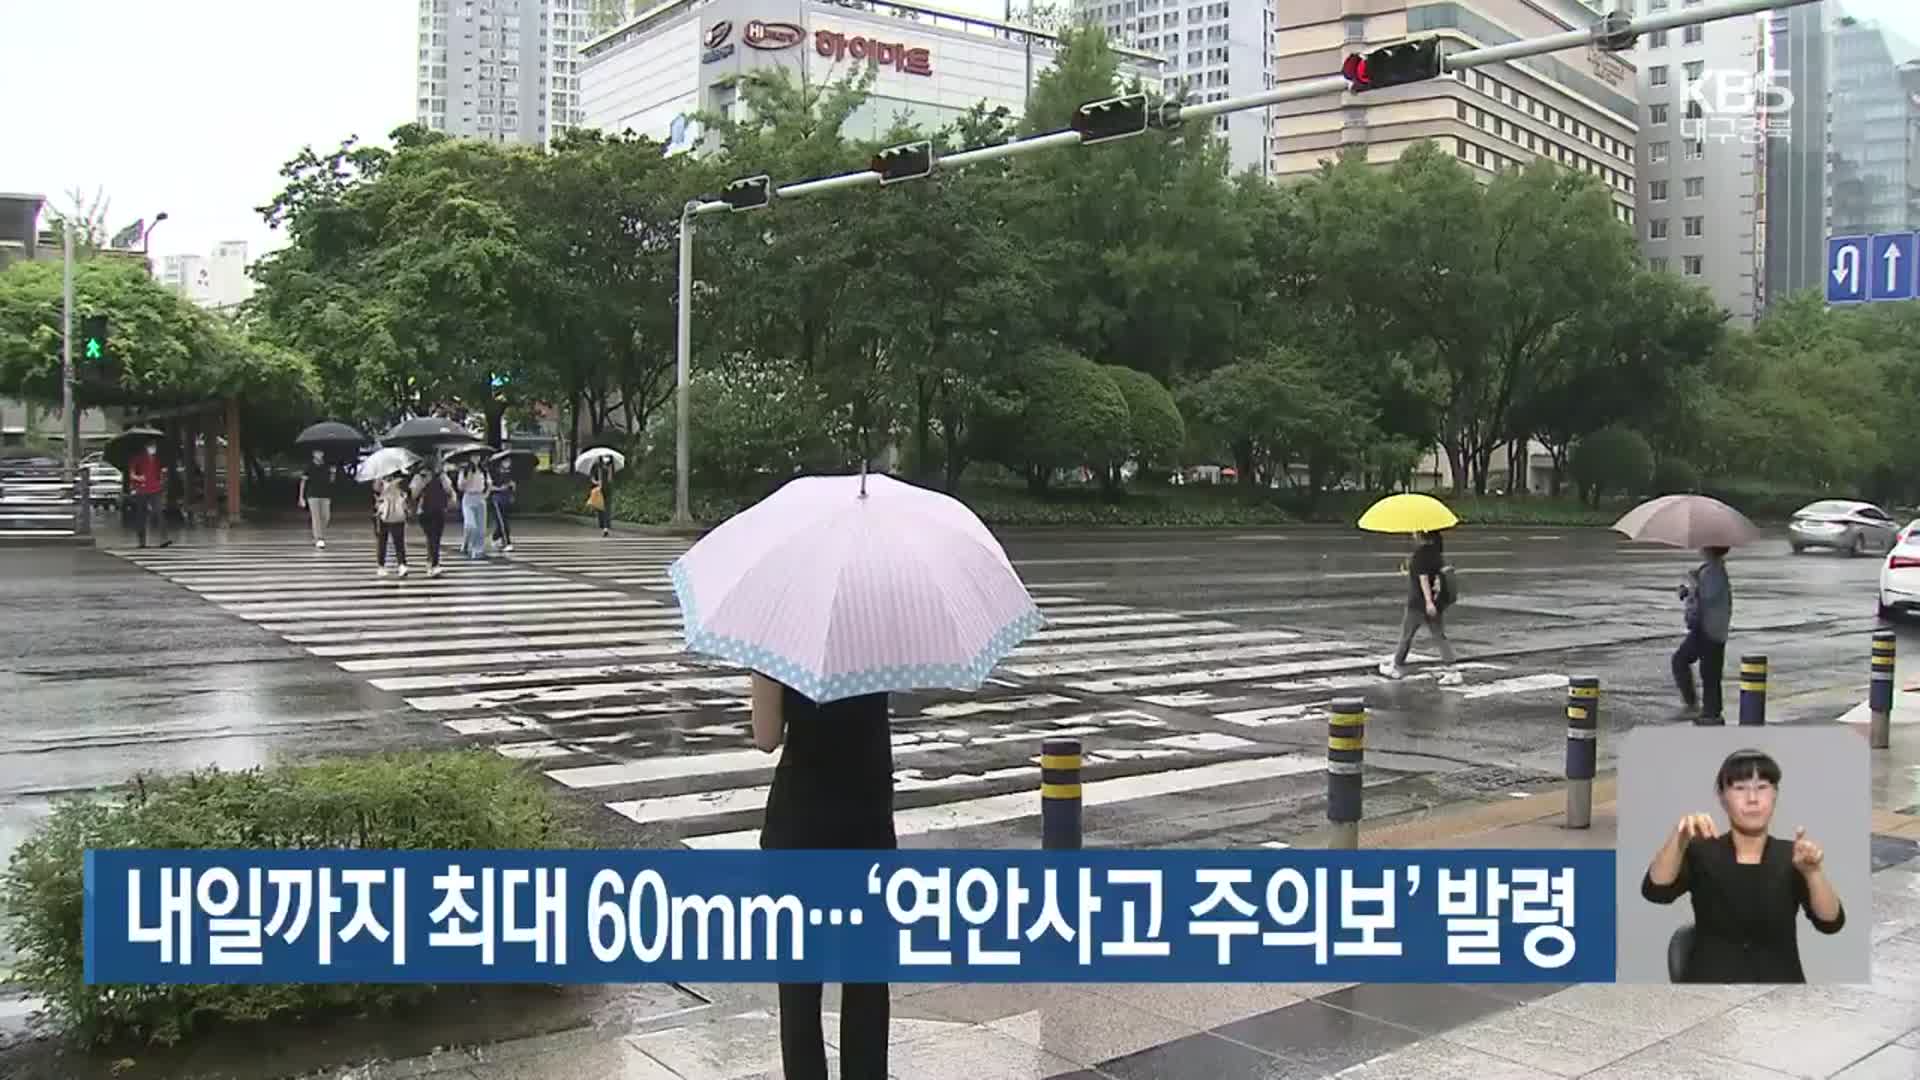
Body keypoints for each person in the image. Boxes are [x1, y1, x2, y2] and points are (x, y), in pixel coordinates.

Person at [751, 673, 893, 1079]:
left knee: (799, 987)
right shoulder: (883, 636)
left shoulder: (781, 642)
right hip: (867, 821)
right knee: (866, 982)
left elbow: (765, 737)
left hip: (800, 826)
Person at [1642, 748, 1844, 982]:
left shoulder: (1793, 855)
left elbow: (1831, 922)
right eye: (1740, 788)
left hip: (1781, 987)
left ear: (1775, 794)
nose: (1752, 799)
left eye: (1762, 788)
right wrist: (1679, 838)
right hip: (1708, 986)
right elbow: (1656, 891)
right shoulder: (1701, 850)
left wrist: (1813, 873)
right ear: (1722, 796)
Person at [1379, 530, 1461, 684]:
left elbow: (1423, 580)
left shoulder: (1421, 554)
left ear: (1421, 535)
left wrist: (1427, 602)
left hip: (1418, 604)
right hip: (1435, 603)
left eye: (1415, 532)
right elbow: (1430, 575)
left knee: (1406, 636)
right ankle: (1453, 671)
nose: (1413, 534)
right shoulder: (1436, 552)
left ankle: (1396, 667)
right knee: (1439, 636)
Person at [1674, 546, 1733, 722]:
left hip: (1709, 628)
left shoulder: (1714, 570)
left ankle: (1702, 709)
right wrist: (1688, 588)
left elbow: (1707, 595)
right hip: (1709, 627)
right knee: (1708, 671)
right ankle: (1710, 712)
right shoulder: (1710, 568)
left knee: (1689, 663)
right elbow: (1701, 593)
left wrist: (1693, 582)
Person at [412, 461, 456, 577]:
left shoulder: (441, 476)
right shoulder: (419, 477)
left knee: (435, 538)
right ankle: (434, 564)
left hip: (439, 509)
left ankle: (431, 563)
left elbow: (449, 489)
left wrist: (443, 479)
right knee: (432, 537)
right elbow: (414, 494)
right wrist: (423, 483)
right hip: (424, 511)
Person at [127, 441, 170, 549]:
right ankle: (142, 541)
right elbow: (131, 473)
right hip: (142, 490)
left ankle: (163, 539)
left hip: (155, 489)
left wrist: (162, 479)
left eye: (154, 446)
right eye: (151, 446)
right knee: (141, 515)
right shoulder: (138, 458)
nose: (152, 448)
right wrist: (138, 478)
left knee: (159, 512)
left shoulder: (157, 459)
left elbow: (160, 472)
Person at [372, 471, 411, 578]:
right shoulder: (379, 481)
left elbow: (407, 494)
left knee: (398, 541)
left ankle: (401, 565)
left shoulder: (401, 481)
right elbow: (375, 495)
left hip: (396, 514)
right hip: (384, 514)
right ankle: (381, 566)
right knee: (382, 540)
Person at [298, 450, 334, 549]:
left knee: (326, 516)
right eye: (317, 453)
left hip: (325, 495)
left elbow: (331, 481)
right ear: (313, 454)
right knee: (316, 517)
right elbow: (303, 482)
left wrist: (333, 473)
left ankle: (319, 535)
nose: (320, 455)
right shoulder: (309, 466)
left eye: (321, 453)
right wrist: (301, 497)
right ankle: (319, 538)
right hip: (312, 495)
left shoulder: (326, 466)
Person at [457, 457, 491, 560]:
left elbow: (489, 483)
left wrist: (486, 494)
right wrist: (468, 478)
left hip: (480, 498)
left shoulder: (483, 470)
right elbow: (460, 487)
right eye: (473, 456)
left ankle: (478, 550)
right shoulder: (465, 471)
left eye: (478, 456)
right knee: (471, 525)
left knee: (481, 527)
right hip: (468, 497)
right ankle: (466, 543)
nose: (476, 459)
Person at [488, 456, 516, 552]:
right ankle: (507, 542)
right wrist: (500, 488)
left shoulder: (510, 473)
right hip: (497, 498)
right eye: (506, 461)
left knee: (503, 521)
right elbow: (489, 487)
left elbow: (511, 487)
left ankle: (495, 538)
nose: (508, 463)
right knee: (502, 521)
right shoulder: (494, 472)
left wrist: (512, 487)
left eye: (509, 461)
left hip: (506, 498)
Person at [588, 454, 615, 536]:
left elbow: (611, 478)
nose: (605, 458)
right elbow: (592, 478)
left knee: (606, 508)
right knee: (601, 508)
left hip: (607, 490)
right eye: (604, 456)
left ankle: (605, 527)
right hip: (599, 490)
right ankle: (603, 526)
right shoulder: (597, 466)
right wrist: (596, 482)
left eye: (607, 456)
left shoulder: (611, 466)